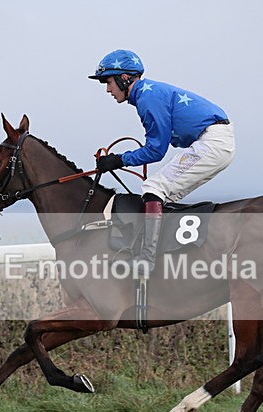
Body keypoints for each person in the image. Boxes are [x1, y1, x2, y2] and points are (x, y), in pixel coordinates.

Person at [89, 49, 235, 276]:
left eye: (108, 82)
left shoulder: (147, 98)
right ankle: (167, 251)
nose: (108, 90)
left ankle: (146, 260)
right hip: (215, 141)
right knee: (162, 193)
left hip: (212, 142)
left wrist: (118, 160)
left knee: (153, 187)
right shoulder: (147, 94)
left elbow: (156, 151)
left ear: (124, 78)